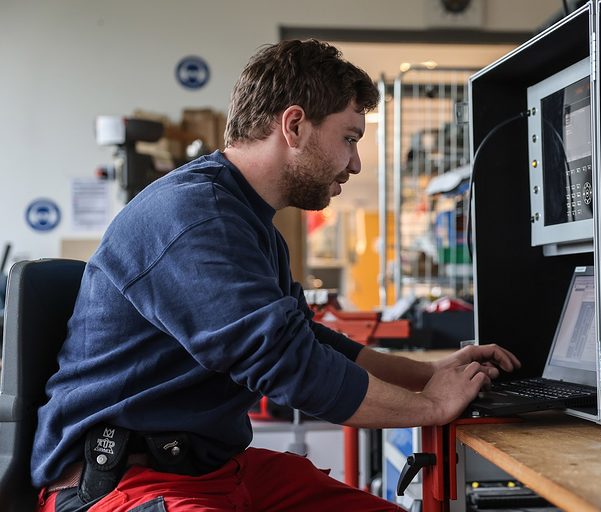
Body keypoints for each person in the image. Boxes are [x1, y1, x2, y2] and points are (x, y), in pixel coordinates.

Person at [33, 39, 521, 512]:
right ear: (294, 125)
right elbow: (285, 364)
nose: (354, 163)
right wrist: (429, 408)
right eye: (349, 139)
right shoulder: (196, 216)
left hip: (210, 471)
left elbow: (302, 338)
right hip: (126, 484)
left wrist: (428, 376)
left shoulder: (247, 219)